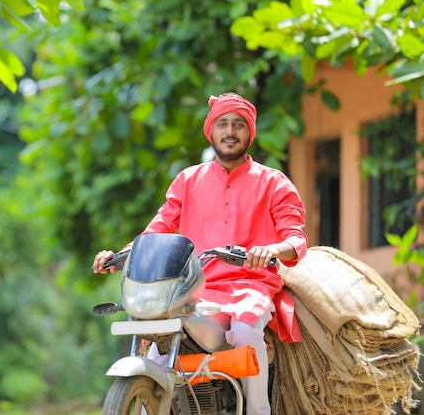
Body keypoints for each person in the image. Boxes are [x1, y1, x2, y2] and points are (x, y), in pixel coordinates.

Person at [91, 92, 308, 415]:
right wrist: (120, 255)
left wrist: (272, 249)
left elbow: (296, 238)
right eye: (222, 124)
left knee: (246, 331)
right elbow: (159, 228)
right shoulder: (188, 181)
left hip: (249, 286)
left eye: (238, 125)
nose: (230, 131)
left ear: (249, 132)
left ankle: (258, 409)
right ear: (211, 131)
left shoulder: (274, 183)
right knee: (160, 348)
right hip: (195, 288)